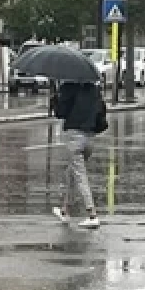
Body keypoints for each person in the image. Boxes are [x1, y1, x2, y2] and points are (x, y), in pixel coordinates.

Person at [51, 81, 107, 229]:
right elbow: (101, 112)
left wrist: (56, 100)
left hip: (74, 136)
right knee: (72, 173)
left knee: (80, 176)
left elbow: (60, 113)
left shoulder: (68, 88)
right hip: (90, 138)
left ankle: (92, 214)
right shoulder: (94, 89)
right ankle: (65, 210)